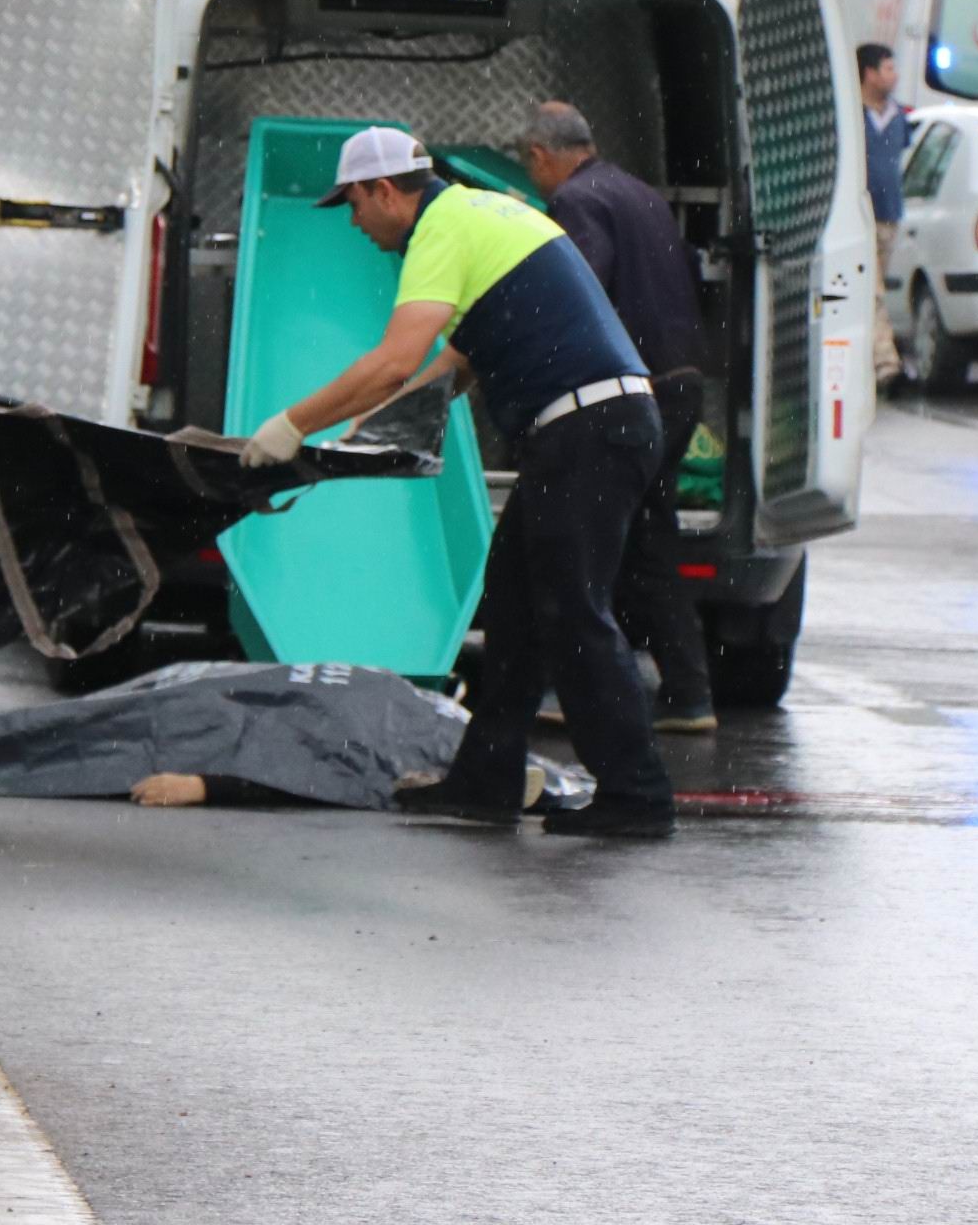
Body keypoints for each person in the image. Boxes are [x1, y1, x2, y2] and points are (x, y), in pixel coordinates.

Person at [239, 127, 674, 839]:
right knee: (516, 611)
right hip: (594, 427)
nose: (353, 223)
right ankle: (486, 781)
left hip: (588, 431)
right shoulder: (484, 212)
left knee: (574, 615)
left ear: (384, 190)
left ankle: (638, 797)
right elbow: (454, 365)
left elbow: (395, 359)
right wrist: (368, 427)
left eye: (352, 204)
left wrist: (291, 424)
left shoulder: (440, 227)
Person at [516, 101, 716, 735]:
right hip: (681, 381)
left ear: (541, 157)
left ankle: (570, 690)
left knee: (588, 539)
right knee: (648, 539)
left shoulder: (576, 203)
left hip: (635, 390)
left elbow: (580, 288)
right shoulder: (639, 193)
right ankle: (687, 694)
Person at [858, 44, 911, 381]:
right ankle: (884, 359)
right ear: (869, 73)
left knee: (874, 289)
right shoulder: (852, 115)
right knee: (872, 288)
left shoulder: (899, 118)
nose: (894, 76)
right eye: (888, 69)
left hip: (889, 215)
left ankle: (870, 355)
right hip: (860, 217)